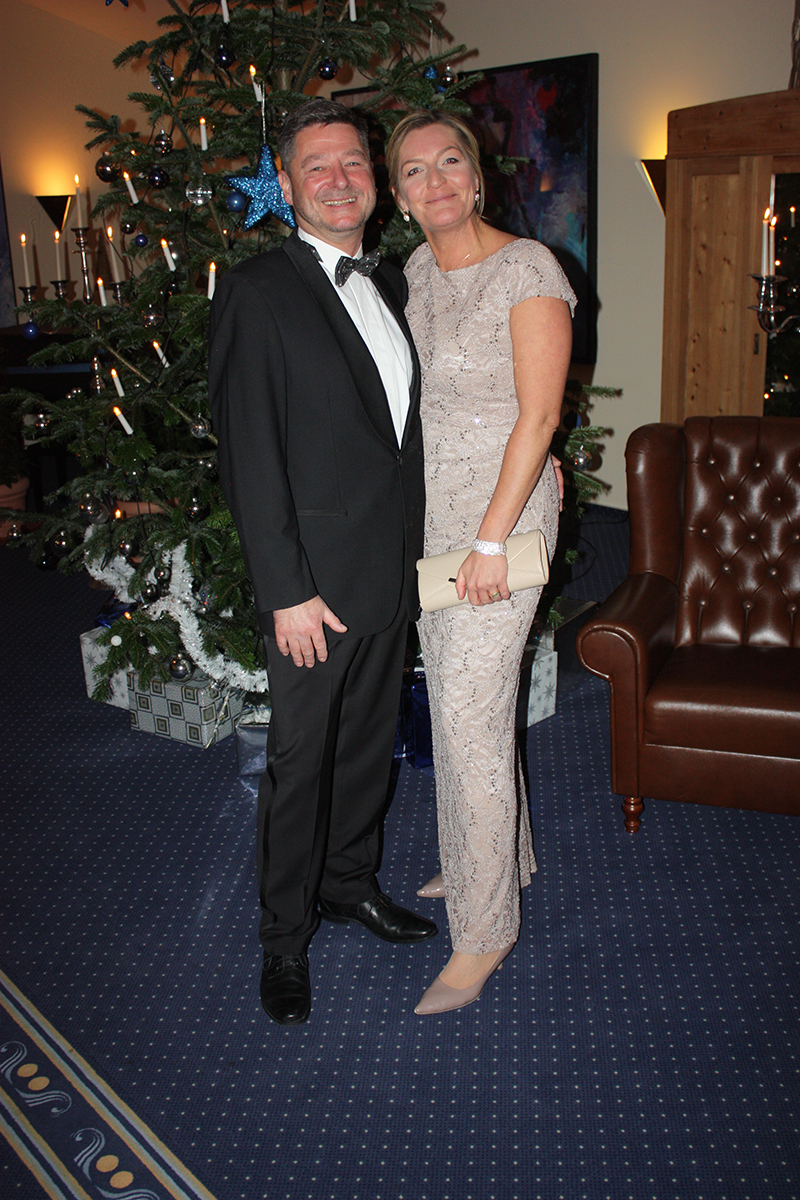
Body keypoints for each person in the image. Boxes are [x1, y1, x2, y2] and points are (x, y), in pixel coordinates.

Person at [208, 99, 437, 1028]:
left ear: (373, 180)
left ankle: (348, 884)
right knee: (301, 764)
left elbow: (398, 436)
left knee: (367, 744)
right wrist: (287, 591)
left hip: (391, 566)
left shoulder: (393, 284)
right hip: (312, 587)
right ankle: (283, 939)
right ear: (287, 183)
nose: (339, 180)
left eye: (353, 163)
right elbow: (249, 454)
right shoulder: (257, 290)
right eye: (317, 166)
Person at [386, 110, 575, 1015]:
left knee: (464, 717)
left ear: (476, 176)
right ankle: (497, 857)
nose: (436, 182)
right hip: (434, 517)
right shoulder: (417, 271)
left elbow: (539, 417)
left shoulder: (528, 268)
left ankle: (486, 928)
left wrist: (494, 541)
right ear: (399, 195)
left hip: (501, 520)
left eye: (449, 161)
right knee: (473, 707)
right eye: (414, 170)